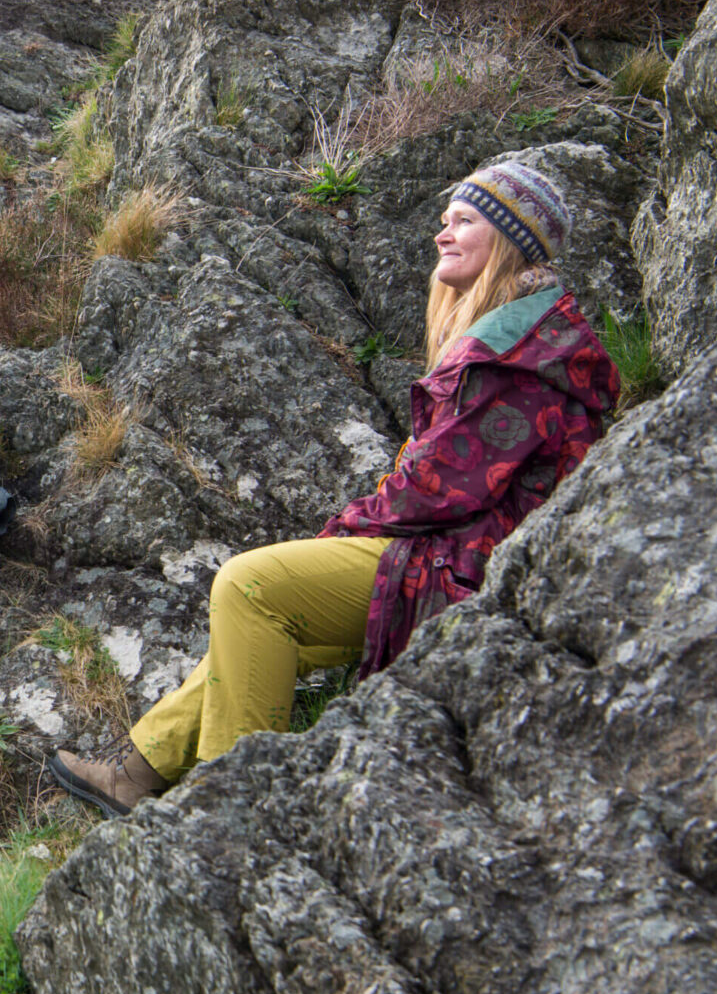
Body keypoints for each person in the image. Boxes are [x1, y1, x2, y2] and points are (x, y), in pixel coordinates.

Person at [47, 161, 619, 816]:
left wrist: (348, 526)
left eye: (464, 220)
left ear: (510, 238)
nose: (443, 235)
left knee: (249, 587)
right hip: (451, 548)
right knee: (259, 629)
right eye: (444, 221)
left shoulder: (513, 351)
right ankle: (135, 769)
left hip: (461, 562)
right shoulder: (526, 333)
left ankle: (233, 810)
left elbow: (435, 488)